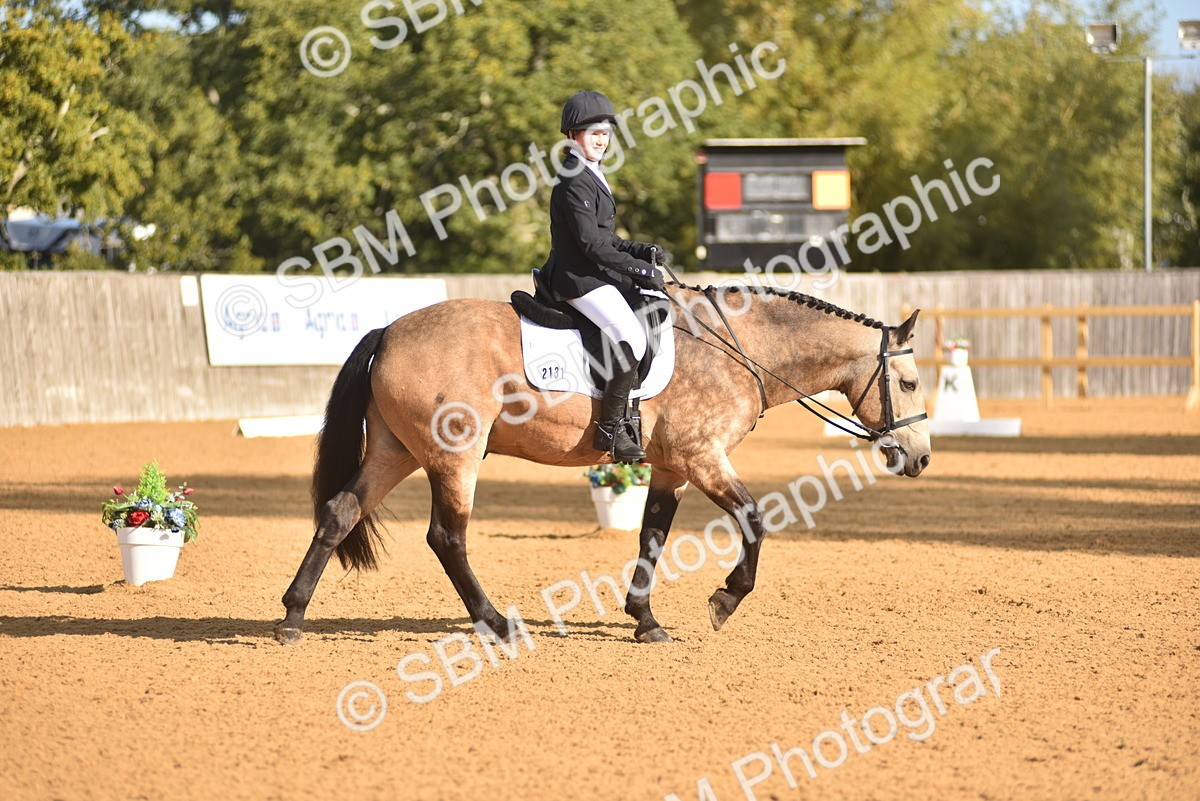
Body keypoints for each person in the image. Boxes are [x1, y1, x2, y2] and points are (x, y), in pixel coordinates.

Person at [540, 90, 666, 463]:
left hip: (595, 273)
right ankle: (611, 430)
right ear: (573, 136)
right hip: (578, 279)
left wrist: (640, 250)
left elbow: (605, 237)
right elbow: (592, 245)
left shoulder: (591, 174)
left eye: (605, 133)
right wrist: (640, 269)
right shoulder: (574, 179)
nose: (601, 140)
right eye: (593, 133)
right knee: (630, 335)